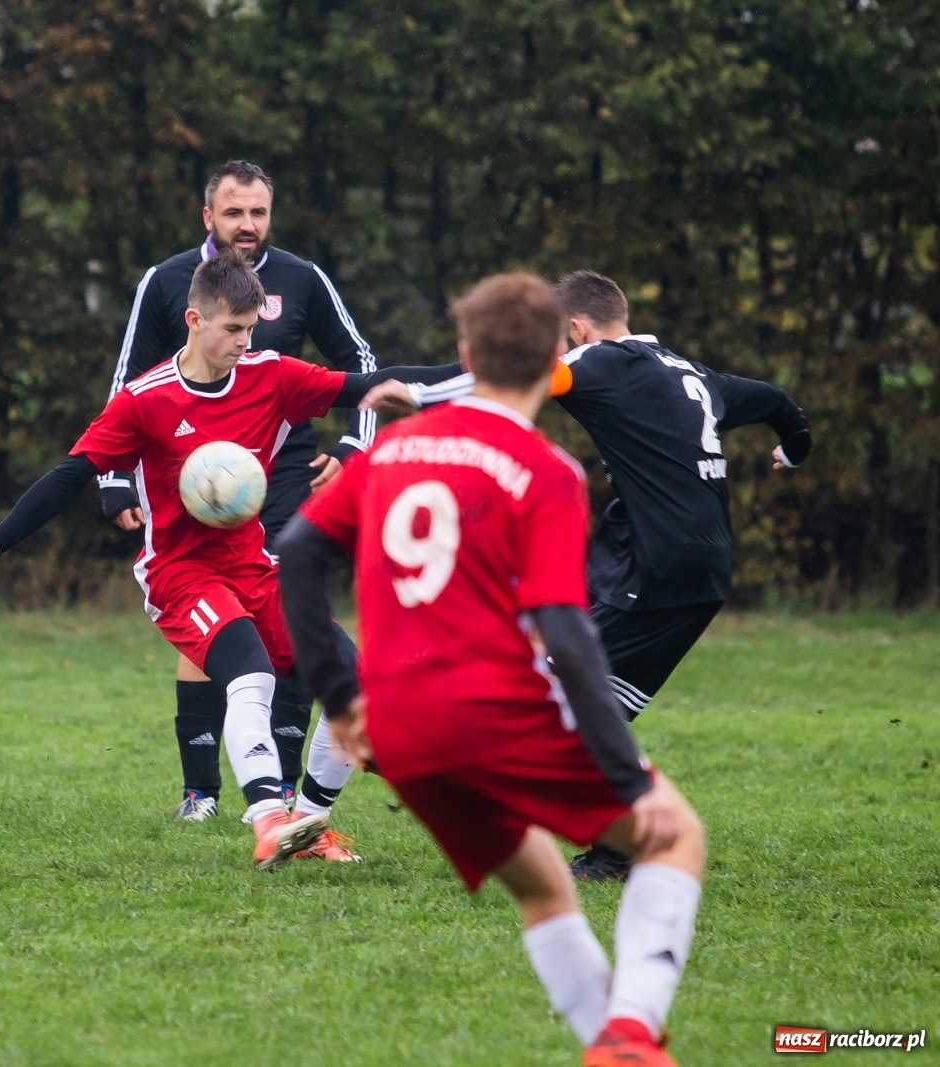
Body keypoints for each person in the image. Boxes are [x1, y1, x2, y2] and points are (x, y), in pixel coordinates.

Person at [278, 272, 705, 1067]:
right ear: (555, 363)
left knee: (543, 887)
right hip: (493, 714)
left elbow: (299, 553)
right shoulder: (546, 471)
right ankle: (633, 1029)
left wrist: (340, 699)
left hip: (403, 734)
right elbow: (567, 632)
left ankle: (613, 1046)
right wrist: (625, 774)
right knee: (676, 836)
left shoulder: (396, 448)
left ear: (467, 355)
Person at [0, 251, 458, 868]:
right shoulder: (144, 400)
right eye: (233, 329)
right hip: (179, 575)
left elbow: (377, 384)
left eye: (251, 328)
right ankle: (269, 821)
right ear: (195, 320)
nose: (245, 342)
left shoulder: (270, 376)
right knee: (251, 674)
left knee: (351, 680)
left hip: (254, 567)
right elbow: (69, 477)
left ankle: (308, 826)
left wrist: (489, 372)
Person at [364, 269, 812, 881]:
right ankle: (605, 839)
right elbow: (776, 401)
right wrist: (795, 447)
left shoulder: (600, 362)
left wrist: (414, 395)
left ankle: (457, 765)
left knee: (555, 691)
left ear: (574, 330)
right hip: (698, 568)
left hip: (655, 569)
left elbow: (513, 378)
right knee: (594, 699)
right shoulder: (691, 374)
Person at [103, 159, 456, 821]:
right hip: (195, 486)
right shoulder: (167, 280)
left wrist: (353, 445)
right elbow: (129, 381)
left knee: (289, 629)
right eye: (233, 212)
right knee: (213, 631)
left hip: (285, 482)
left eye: (258, 212)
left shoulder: (301, 277)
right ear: (207, 215)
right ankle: (201, 792)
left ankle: (285, 793)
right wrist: (115, 475)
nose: (247, 224)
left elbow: (361, 365)